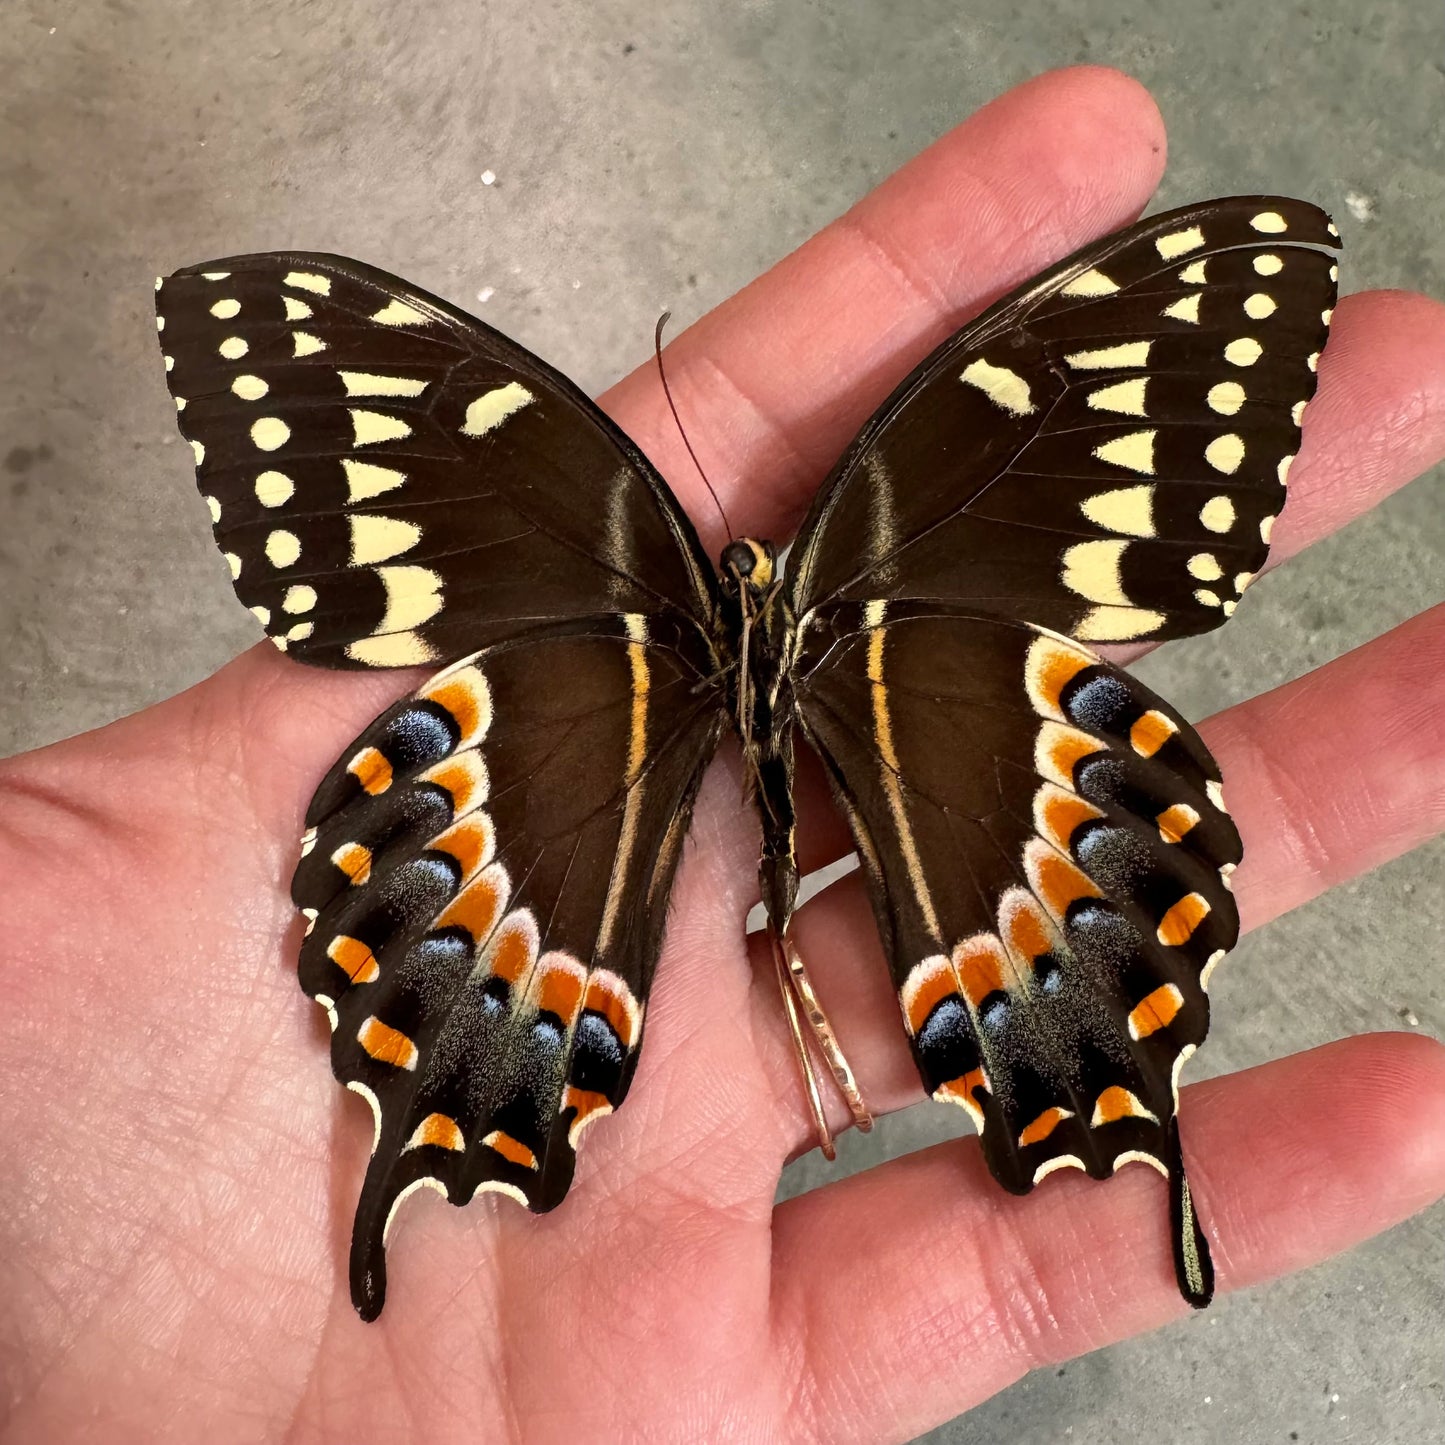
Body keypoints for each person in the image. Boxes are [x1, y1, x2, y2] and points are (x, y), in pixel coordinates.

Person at [2, 65, 1442, 1442]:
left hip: (682, 719)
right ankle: (465, 1098)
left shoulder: (646, 574)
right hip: (758, 716)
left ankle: (1075, 1058)